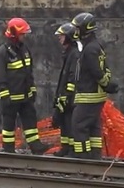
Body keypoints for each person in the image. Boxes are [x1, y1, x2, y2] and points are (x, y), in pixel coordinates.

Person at [0, 17, 50, 155]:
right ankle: (8, 149)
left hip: (25, 96)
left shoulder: (24, 49)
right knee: (9, 125)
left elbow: (28, 72)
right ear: (14, 33)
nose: (24, 36)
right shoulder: (3, 52)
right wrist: (4, 94)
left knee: (30, 121)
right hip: (11, 97)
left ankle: (35, 146)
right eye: (22, 34)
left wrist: (32, 89)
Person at [71, 12, 118, 159]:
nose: (75, 32)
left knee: (79, 125)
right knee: (93, 126)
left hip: (88, 95)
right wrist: (107, 84)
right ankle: (95, 156)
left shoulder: (90, 49)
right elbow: (106, 69)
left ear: (85, 29)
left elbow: (96, 71)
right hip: (93, 95)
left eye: (77, 29)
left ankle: (83, 157)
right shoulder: (95, 46)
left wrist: (106, 85)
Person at [51, 22, 81, 157]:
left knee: (69, 122)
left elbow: (72, 77)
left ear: (69, 37)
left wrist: (66, 96)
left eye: (62, 36)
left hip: (71, 97)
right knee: (64, 122)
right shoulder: (69, 53)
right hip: (65, 95)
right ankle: (65, 148)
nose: (59, 38)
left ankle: (71, 150)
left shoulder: (74, 54)